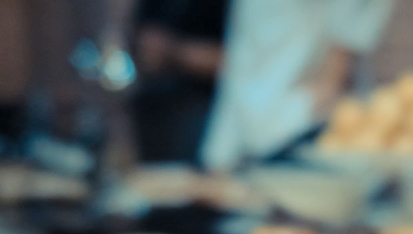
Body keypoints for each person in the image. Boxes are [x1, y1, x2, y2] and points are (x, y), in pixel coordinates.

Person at [201, 0, 395, 170]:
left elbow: (352, 20)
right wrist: (222, 147)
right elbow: (245, 49)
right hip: (247, 133)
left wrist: (329, 85)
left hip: (299, 129)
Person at [132, 0, 229, 162]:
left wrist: (173, 51)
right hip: (153, 101)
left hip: (208, 103)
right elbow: (139, 37)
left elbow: (238, 63)